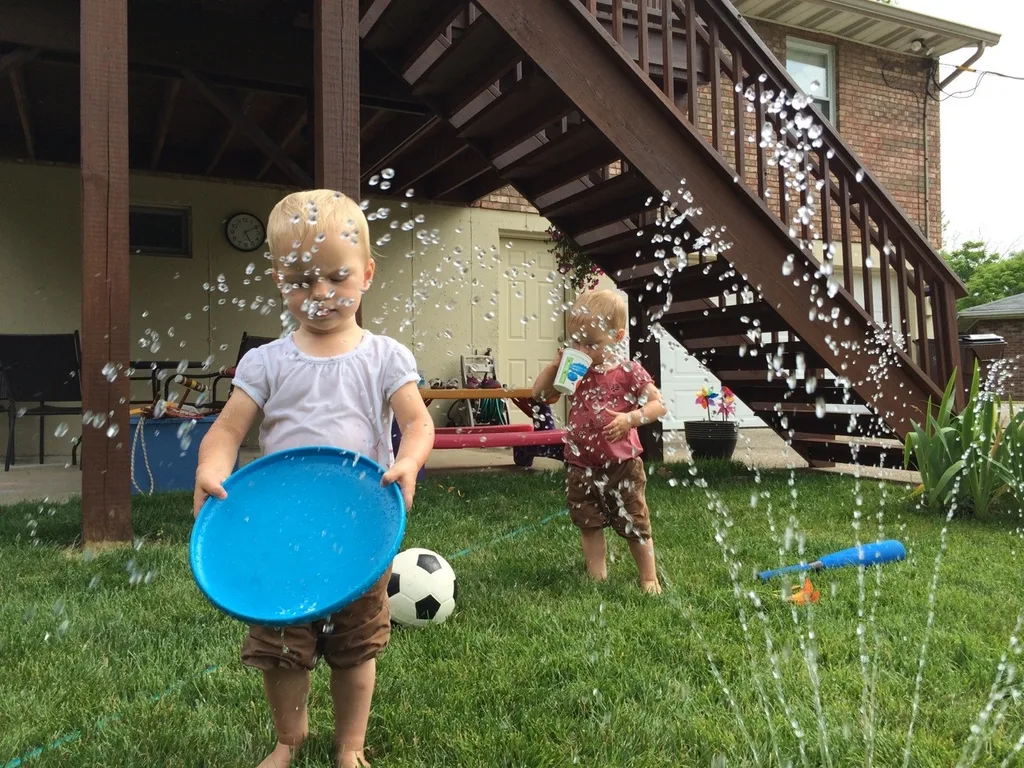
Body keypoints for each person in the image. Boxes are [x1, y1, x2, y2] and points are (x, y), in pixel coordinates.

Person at [192, 189, 434, 768]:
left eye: (335, 277)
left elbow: (418, 423)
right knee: (281, 646)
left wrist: (409, 459)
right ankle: (288, 739)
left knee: (355, 648)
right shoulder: (267, 363)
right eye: (301, 280)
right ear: (279, 279)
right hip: (281, 533)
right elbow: (227, 432)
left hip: (358, 530)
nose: (320, 293)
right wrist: (210, 467)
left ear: (367, 274)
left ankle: (350, 746)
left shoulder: (384, 357)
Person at [533, 289, 666, 594]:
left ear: (617, 337)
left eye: (592, 344)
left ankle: (648, 578)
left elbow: (658, 405)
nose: (583, 349)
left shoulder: (629, 372)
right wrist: (555, 367)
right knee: (588, 522)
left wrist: (630, 419)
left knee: (635, 523)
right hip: (581, 463)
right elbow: (540, 395)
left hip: (622, 464)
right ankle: (597, 576)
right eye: (576, 342)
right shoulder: (576, 371)